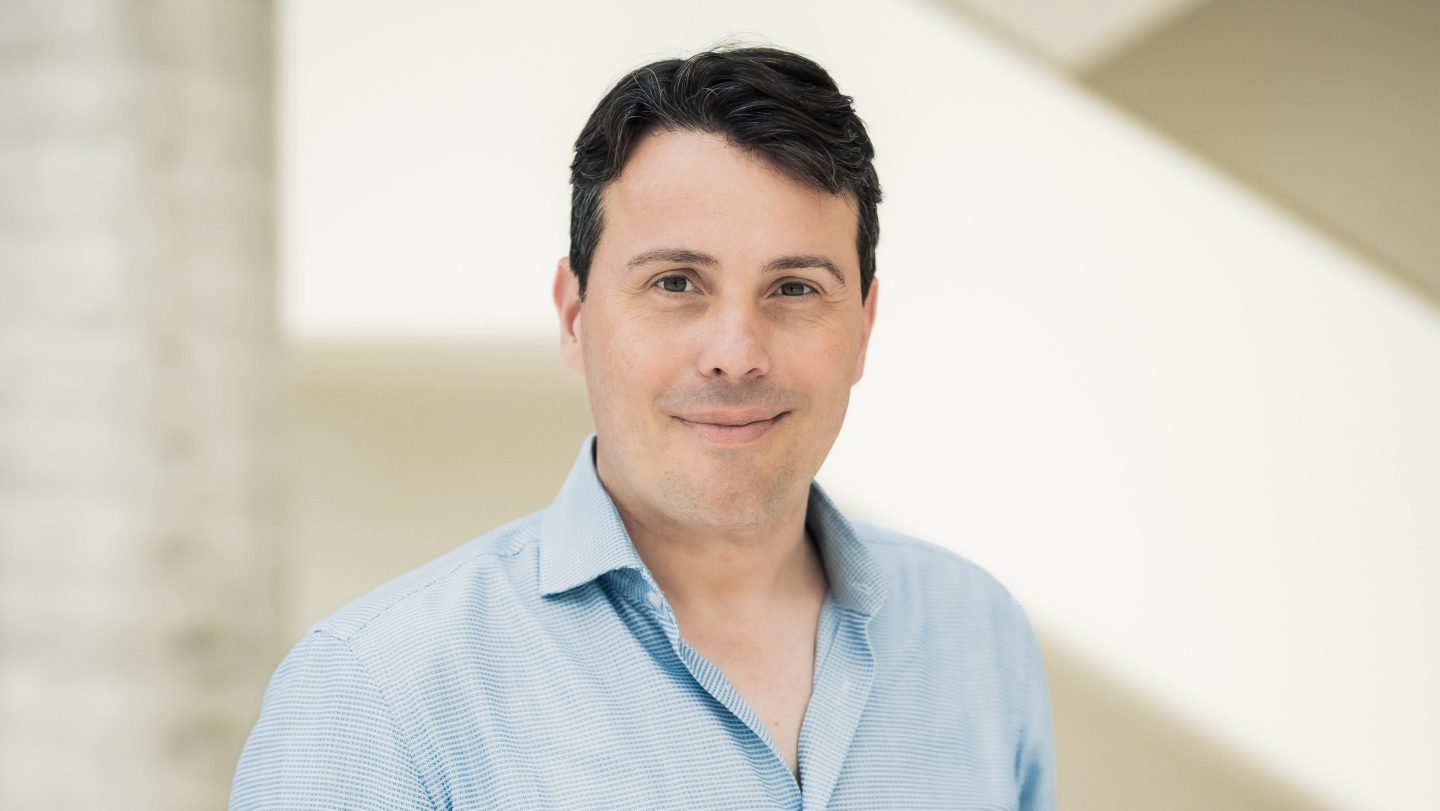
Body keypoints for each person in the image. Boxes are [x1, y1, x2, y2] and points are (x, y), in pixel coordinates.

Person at [231, 45, 1054, 810]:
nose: (736, 354)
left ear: (863, 327)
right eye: (675, 283)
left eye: (795, 288)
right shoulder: (376, 695)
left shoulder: (977, 636)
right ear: (574, 315)